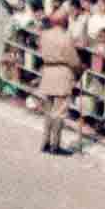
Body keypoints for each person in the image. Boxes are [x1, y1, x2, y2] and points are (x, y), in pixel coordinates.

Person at [35, 16, 80, 154]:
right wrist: (79, 68)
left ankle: (45, 142)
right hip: (62, 72)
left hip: (48, 71)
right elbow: (73, 60)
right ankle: (55, 145)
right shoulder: (66, 37)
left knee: (48, 110)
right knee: (59, 112)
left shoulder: (45, 35)